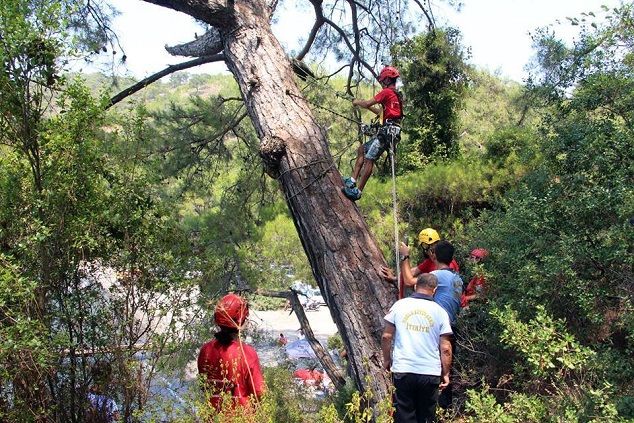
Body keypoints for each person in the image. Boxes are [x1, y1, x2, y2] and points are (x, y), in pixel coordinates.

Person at [381, 273, 453, 423]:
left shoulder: (400, 305)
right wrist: (445, 373)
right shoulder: (440, 312)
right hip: (429, 372)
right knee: (426, 418)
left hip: (403, 370)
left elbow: (386, 336)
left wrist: (387, 360)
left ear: (415, 286)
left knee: (404, 416)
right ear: (435, 290)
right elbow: (445, 347)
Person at [343, 66, 403, 201]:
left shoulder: (387, 92)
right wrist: (369, 107)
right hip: (391, 131)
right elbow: (381, 113)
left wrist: (357, 102)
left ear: (387, 79)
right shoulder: (396, 95)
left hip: (387, 132)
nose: (381, 83)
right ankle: (352, 180)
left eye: (383, 81)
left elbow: (366, 102)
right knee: (362, 150)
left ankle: (357, 191)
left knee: (370, 159)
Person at [198, 293, 265, 414]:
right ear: (241, 320)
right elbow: (259, 391)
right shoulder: (247, 353)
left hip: (213, 417)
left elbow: (204, 386)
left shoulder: (205, 350)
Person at [381, 228, 459, 299]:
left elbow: (409, 281)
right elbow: (411, 272)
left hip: (440, 303)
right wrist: (394, 277)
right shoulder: (431, 261)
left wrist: (405, 256)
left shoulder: (444, 266)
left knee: (416, 286)